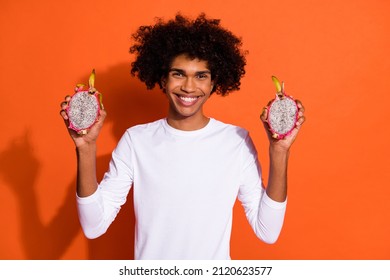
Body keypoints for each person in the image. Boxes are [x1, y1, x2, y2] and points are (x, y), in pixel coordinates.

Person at [60, 13, 305, 260]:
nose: (189, 87)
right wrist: (86, 146)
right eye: (178, 73)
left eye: (201, 76)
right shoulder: (136, 141)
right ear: (163, 79)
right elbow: (93, 226)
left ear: (213, 83)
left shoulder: (236, 142)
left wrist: (280, 151)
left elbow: (268, 230)